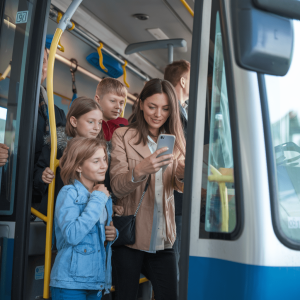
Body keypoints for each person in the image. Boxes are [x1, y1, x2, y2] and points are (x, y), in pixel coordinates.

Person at [110, 78, 186, 300]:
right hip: (130, 237)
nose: (158, 114)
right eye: (152, 106)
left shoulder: (176, 142)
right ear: (141, 103)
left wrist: (182, 175)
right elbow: (117, 186)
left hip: (164, 238)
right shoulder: (123, 136)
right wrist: (139, 170)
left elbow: (176, 189)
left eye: (165, 108)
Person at [50, 137, 118, 299]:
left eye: (104, 159)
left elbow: (99, 237)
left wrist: (113, 234)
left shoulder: (102, 196)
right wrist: (98, 199)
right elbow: (73, 235)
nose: (104, 166)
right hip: (69, 283)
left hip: (96, 282)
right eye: (96, 161)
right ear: (79, 166)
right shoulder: (69, 193)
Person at [33, 97, 103, 216]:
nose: (97, 127)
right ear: (74, 121)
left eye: (100, 122)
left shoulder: (100, 152)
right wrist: (43, 176)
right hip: (61, 213)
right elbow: (37, 173)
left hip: (89, 213)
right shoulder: (56, 147)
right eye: (91, 122)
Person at [164, 59, 190, 295]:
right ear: (183, 81)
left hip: (178, 194)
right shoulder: (172, 112)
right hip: (174, 197)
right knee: (174, 261)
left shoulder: (182, 111)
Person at [33, 47, 66, 204]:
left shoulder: (57, 113)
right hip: (12, 188)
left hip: (44, 193)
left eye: (44, 61)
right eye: (35, 59)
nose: (39, 65)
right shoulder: (14, 101)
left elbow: (61, 149)